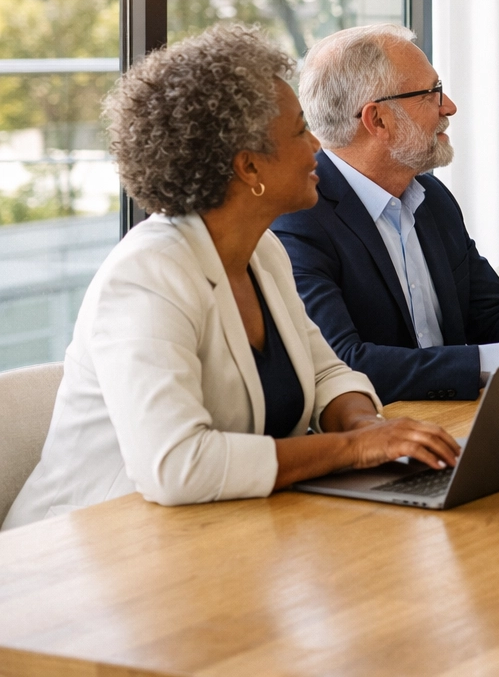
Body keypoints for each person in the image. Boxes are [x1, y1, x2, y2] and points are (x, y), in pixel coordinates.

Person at [3, 26, 460, 529]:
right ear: (248, 167)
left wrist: (368, 429)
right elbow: (179, 466)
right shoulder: (144, 278)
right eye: (299, 132)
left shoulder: (262, 251)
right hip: (91, 544)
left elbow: (326, 374)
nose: (317, 145)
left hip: (222, 528)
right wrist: (352, 449)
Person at [271, 25, 499, 405]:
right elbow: (344, 363)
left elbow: (491, 309)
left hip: (462, 413)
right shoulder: (299, 217)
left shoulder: (432, 198)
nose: (448, 106)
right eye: (431, 93)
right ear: (377, 120)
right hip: (383, 426)